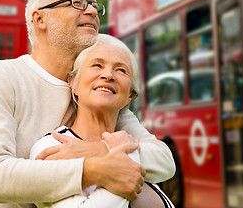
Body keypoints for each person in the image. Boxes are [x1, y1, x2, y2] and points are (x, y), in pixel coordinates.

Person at [0, 0, 175, 208]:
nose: (92, 11)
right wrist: (94, 169)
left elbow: (163, 160)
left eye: (94, 6)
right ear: (40, 19)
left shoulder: (95, 92)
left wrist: (98, 149)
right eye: (77, 3)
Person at [30, 34, 174, 208]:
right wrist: (125, 157)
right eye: (97, 65)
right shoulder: (52, 146)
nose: (108, 75)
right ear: (73, 82)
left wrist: (107, 150)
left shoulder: (129, 140)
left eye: (121, 70)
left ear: (130, 95)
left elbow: (166, 164)